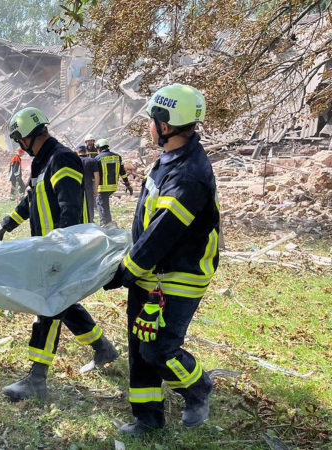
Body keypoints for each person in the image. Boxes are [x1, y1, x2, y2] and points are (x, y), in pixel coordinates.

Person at [104, 84, 218, 435]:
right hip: (152, 273)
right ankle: (147, 419)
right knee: (140, 345)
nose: (149, 126)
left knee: (159, 349)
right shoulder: (171, 158)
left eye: (152, 120)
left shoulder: (188, 175)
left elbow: (162, 233)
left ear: (165, 125)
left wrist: (125, 271)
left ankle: (198, 387)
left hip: (179, 275)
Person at [0, 107, 118, 402]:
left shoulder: (61, 158)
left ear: (26, 136)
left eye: (18, 140)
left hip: (61, 249)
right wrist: (7, 223)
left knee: (48, 307)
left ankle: (36, 378)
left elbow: (70, 206)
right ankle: (103, 348)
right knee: (64, 303)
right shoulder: (42, 162)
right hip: (50, 248)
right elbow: (30, 201)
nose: (19, 147)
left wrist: (62, 250)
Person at [94, 138, 132, 226]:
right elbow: (122, 172)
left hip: (102, 187)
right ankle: (109, 222)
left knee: (100, 204)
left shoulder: (97, 158)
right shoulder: (117, 157)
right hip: (113, 186)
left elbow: (96, 174)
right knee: (105, 204)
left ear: (99, 148)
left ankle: (104, 224)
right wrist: (127, 184)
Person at [76, 144, 97, 223]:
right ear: (86, 151)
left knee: (78, 204)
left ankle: (80, 222)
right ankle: (90, 221)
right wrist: (96, 188)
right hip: (89, 187)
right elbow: (96, 175)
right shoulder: (91, 160)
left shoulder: (74, 160)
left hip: (77, 187)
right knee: (90, 205)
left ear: (77, 152)